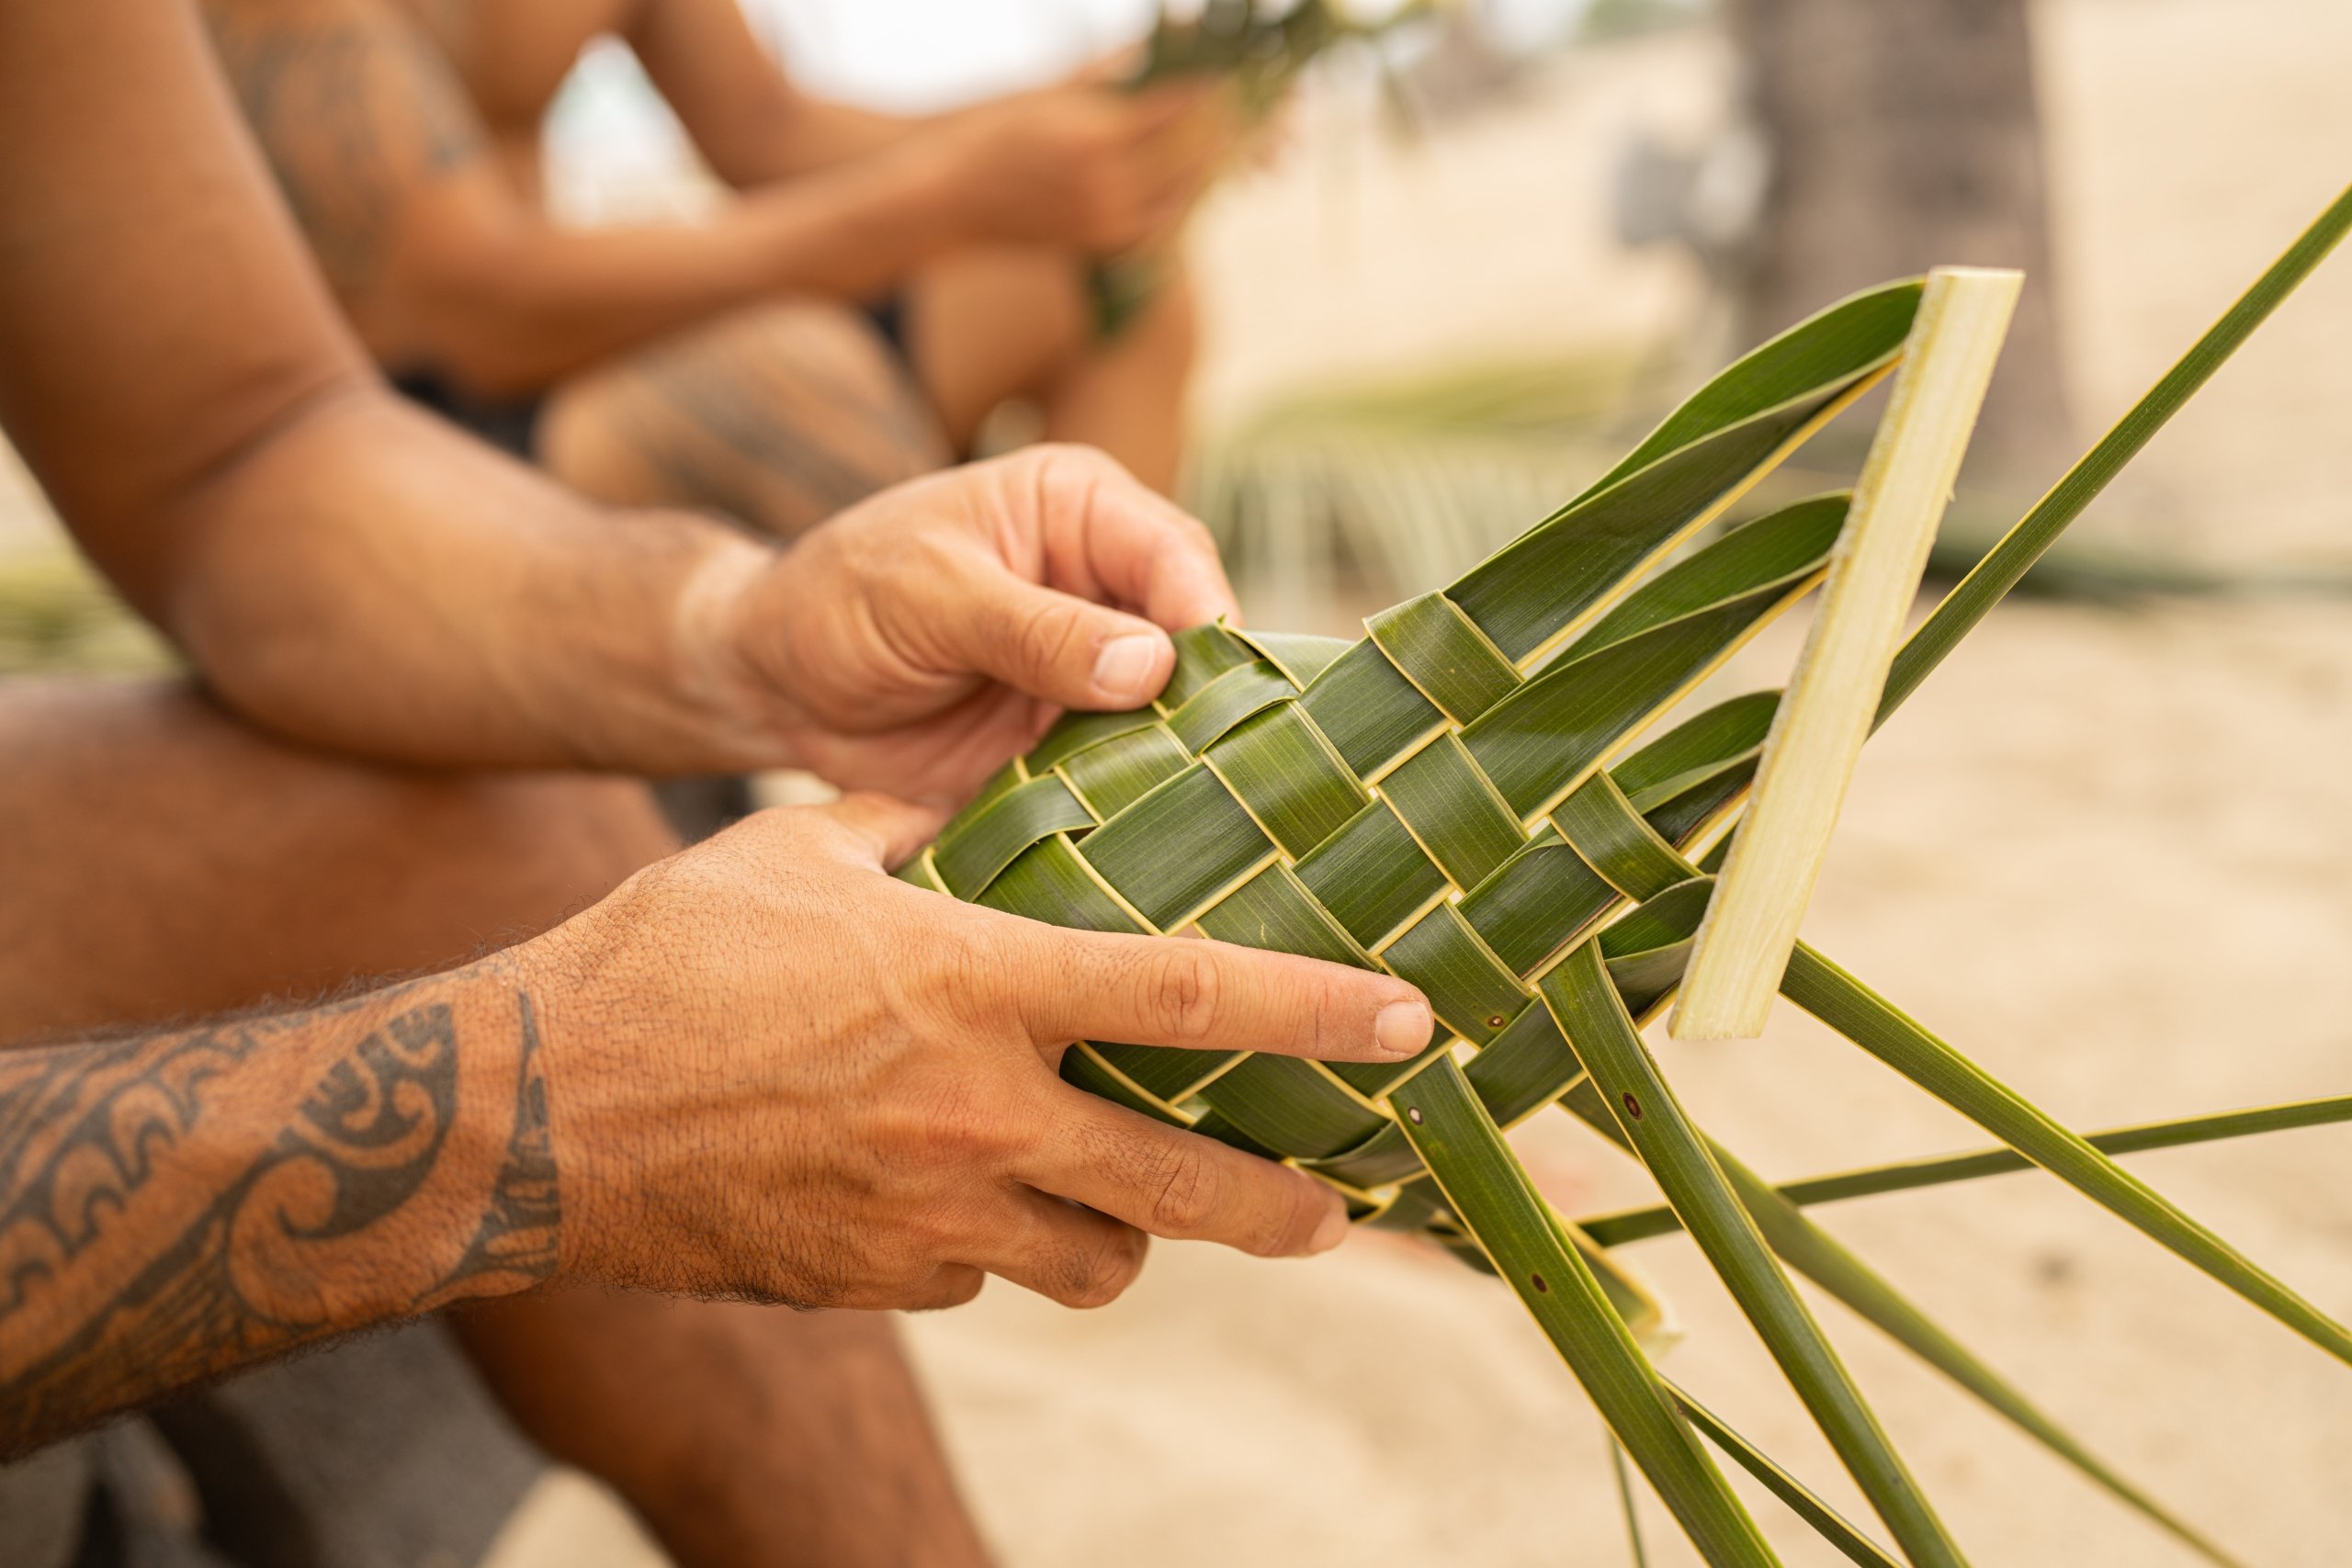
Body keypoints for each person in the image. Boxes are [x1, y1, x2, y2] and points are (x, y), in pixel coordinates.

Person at [0, 2, 1430, 1563]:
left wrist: (741, 626)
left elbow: (239, 452)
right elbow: (440, 289)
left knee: (508, 823)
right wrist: (559, 1103)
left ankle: (1131, 933)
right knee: (797, 393)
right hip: (494, 387)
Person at [198, 0, 1227, 538]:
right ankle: (973, 847)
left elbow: (766, 130)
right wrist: (946, 201)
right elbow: (470, 305)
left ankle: (1117, 762)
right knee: (791, 384)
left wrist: (1107, 106)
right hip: (393, 422)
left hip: (570, 366)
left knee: (1110, 289)